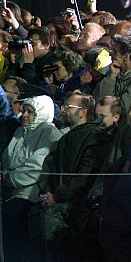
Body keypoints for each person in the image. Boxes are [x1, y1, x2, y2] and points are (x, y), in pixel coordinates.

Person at [38, 91, 112, 260]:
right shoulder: (69, 137)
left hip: (77, 211)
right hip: (61, 206)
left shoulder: (94, 136)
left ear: (83, 112)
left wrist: (57, 196)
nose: (63, 110)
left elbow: (85, 175)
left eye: (68, 107)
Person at [1, 95, 62, 260]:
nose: (24, 115)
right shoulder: (20, 131)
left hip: (31, 192)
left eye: (30, 111)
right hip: (11, 188)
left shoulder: (49, 132)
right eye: (24, 111)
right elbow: (8, 158)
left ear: (40, 113)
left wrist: (11, 179)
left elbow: (38, 166)